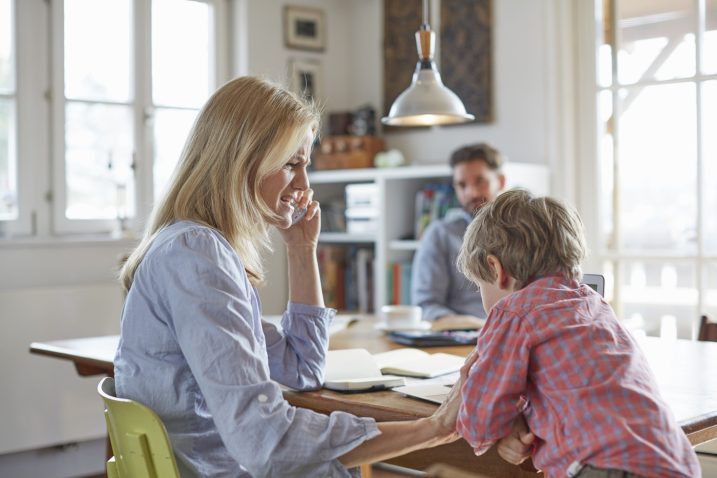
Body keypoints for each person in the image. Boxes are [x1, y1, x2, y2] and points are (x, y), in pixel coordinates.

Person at [114, 75, 487, 478]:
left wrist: (301, 248)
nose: (304, 185)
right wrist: (433, 428)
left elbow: (303, 369)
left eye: (305, 165)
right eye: (292, 164)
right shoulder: (197, 256)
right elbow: (267, 443)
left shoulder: (195, 249)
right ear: (241, 160)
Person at [455, 189, 701, 477]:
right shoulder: (594, 304)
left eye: (481, 286)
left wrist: (475, 389)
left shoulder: (512, 313)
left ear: (495, 269)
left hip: (606, 468)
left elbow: (478, 425)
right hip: (675, 462)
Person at [411, 143, 506, 330]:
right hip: (461, 336)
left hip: (516, 334)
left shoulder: (523, 231)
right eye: (462, 185)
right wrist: (475, 327)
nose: (471, 193)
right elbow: (426, 305)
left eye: (480, 181)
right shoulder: (440, 235)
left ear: (500, 181)